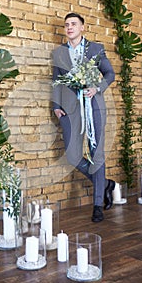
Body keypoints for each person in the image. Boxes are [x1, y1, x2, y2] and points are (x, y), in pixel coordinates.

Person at [52, 12, 116, 222]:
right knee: (72, 156)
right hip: (70, 110)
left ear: (82, 28)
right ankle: (105, 183)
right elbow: (56, 81)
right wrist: (56, 106)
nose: (69, 27)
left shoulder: (95, 49)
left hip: (94, 107)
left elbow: (110, 74)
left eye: (73, 24)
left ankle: (98, 205)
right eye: (66, 25)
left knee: (97, 153)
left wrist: (97, 88)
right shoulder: (59, 52)